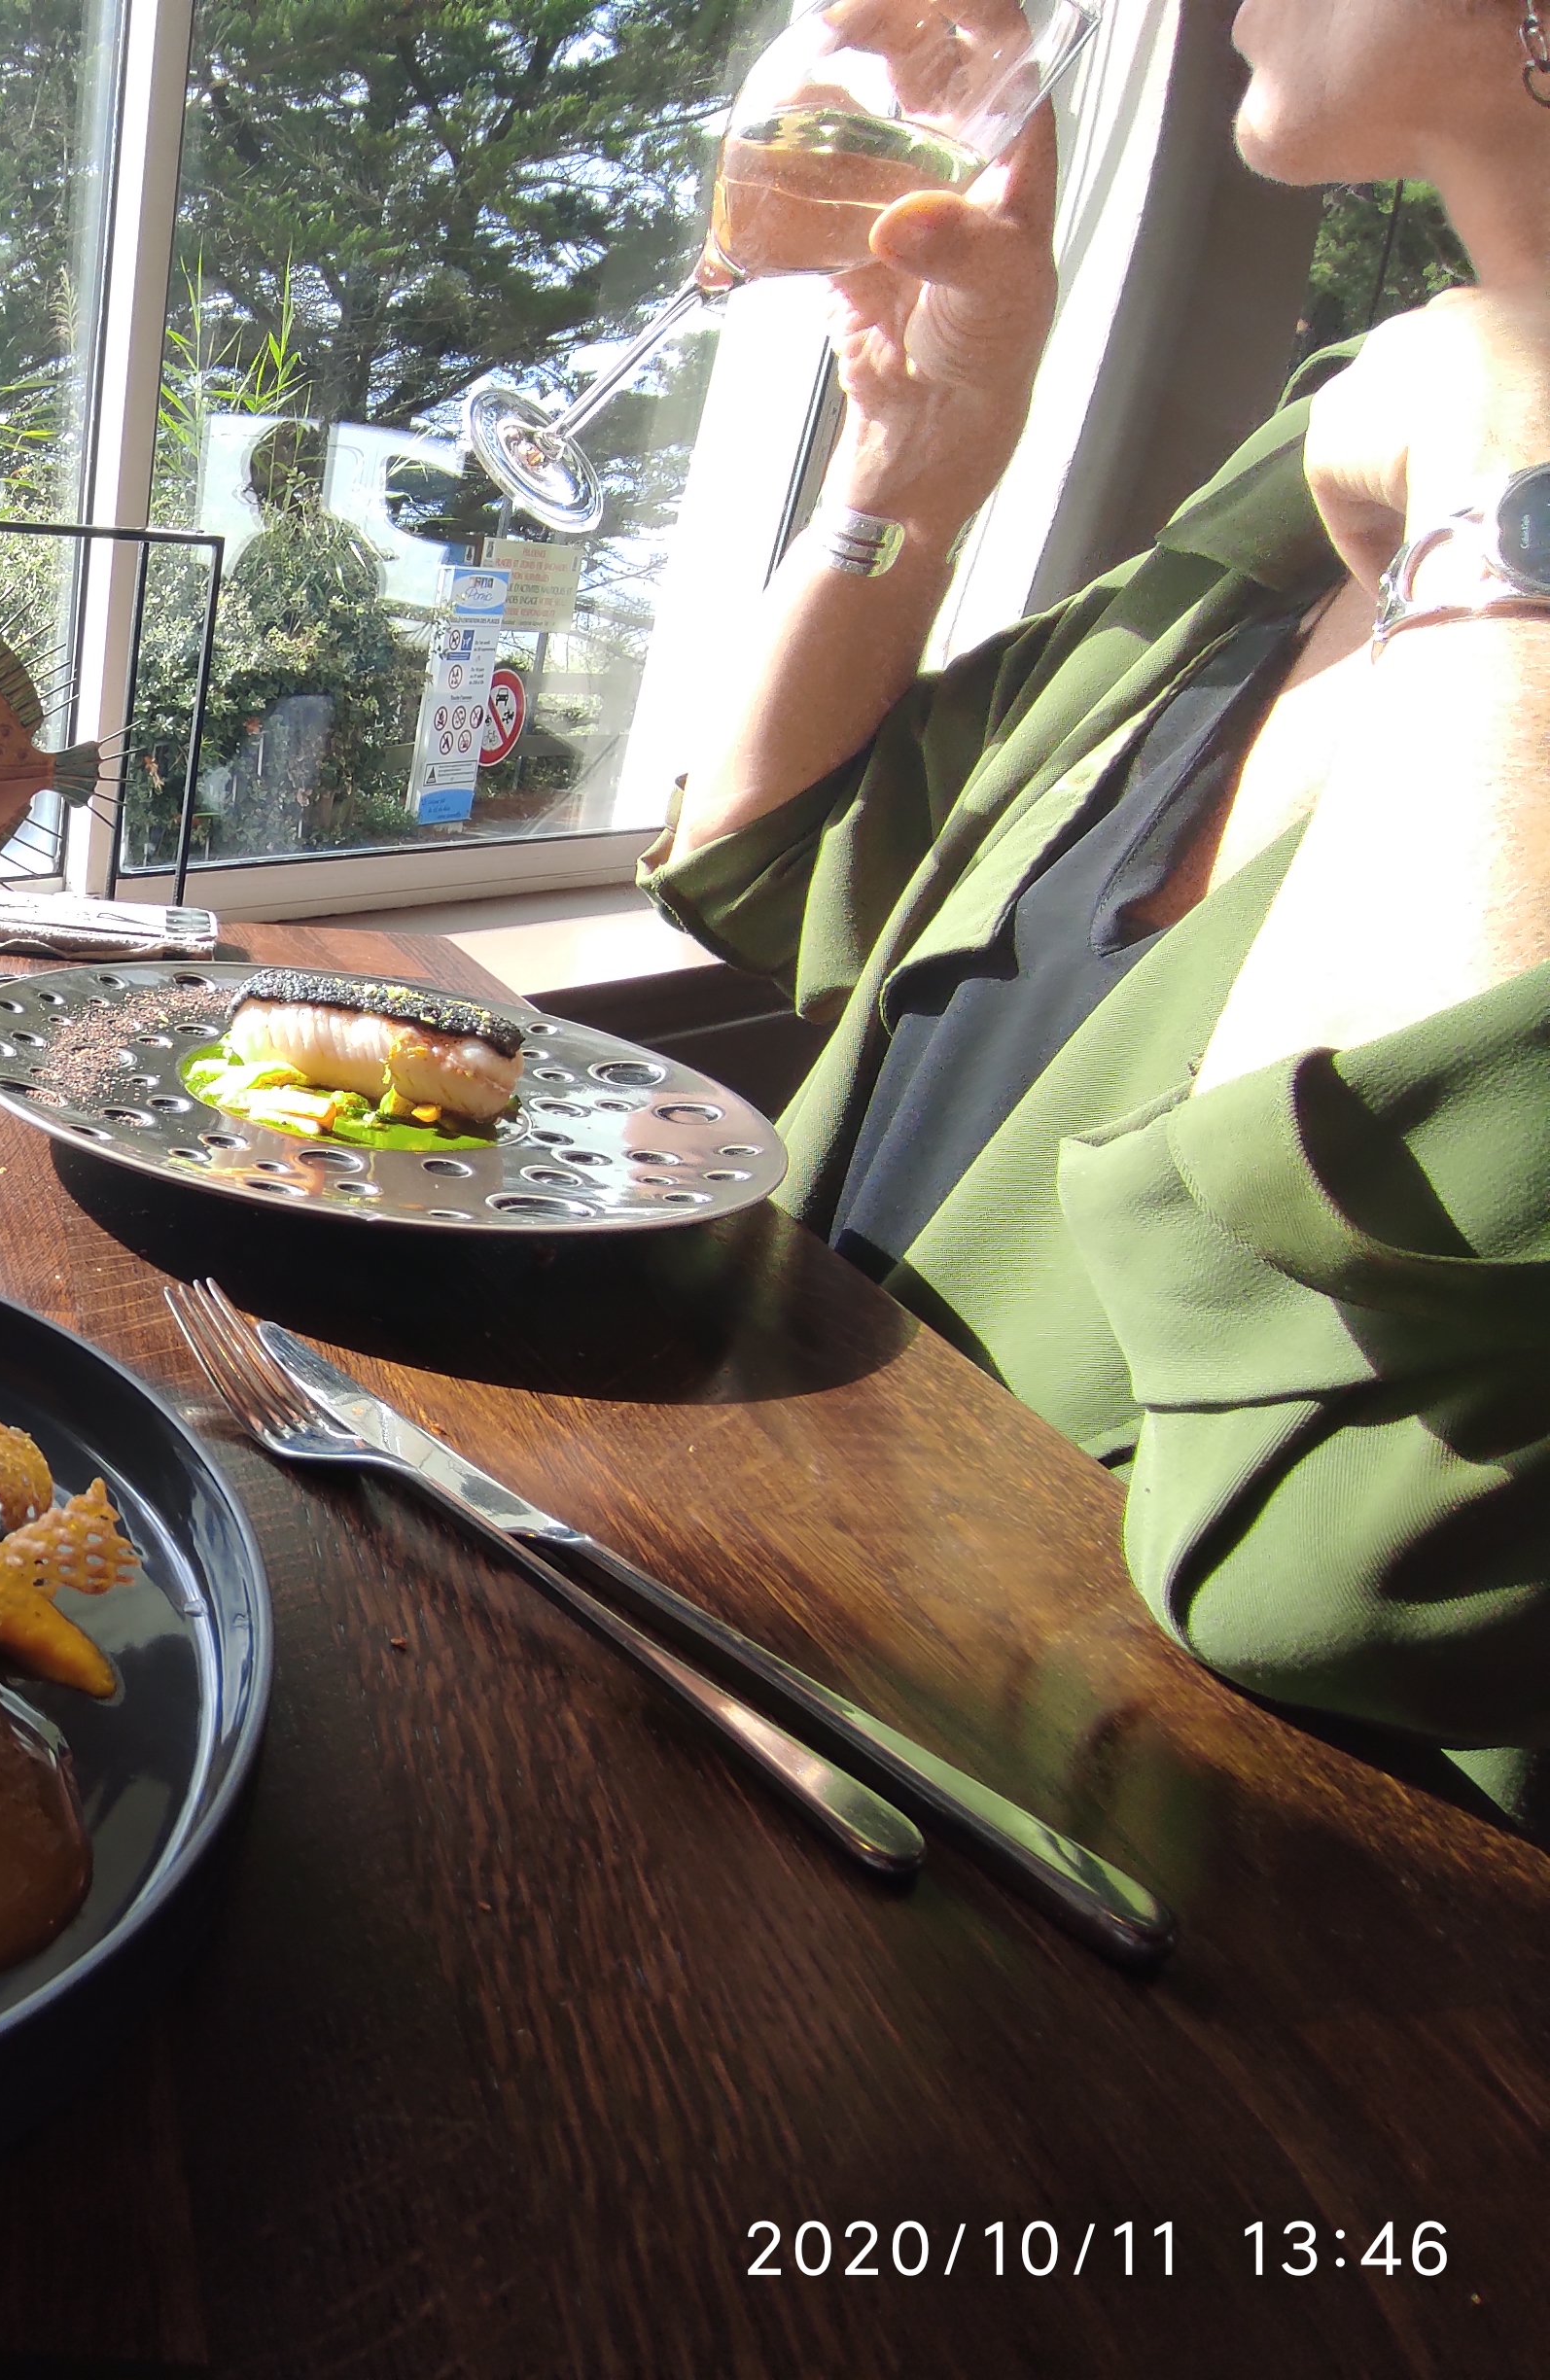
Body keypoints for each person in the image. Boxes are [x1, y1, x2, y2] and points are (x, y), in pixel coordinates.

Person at [643, 0, 1550, 1828]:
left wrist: (1510, 470)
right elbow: (770, 858)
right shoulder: (1338, 447)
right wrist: (914, 460)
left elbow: (1343, 1545)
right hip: (767, 1649)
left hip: (1151, 1886)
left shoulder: (1458, 457)